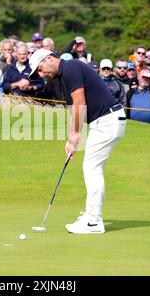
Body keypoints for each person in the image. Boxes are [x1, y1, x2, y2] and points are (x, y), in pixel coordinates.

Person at [28, 48, 126, 234]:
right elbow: (74, 108)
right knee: (93, 167)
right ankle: (92, 215)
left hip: (108, 119)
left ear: (49, 58)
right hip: (103, 121)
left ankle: (93, 221)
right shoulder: (62, 78)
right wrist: (70, 139)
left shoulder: (71, 67)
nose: (42, 75)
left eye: (40, 69)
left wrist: (74, 137)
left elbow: (80, 103)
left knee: (92, 167)